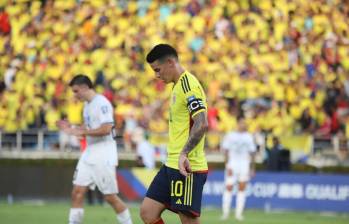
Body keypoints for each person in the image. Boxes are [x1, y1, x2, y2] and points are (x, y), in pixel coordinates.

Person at [140, 44, 209, 224]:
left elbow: (201, 123)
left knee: (188, 221)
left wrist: (184, 153)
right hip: (171, 163)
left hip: (187, 166)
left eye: (157, 69)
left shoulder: (188, 85)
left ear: (170, 62)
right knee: (148, 212)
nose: (156, 75)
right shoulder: (177, 86)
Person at [56, 74, 132, 224]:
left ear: (85, 87)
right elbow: (88, 127)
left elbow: (106, 128)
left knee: (110, 197)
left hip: (104, 153)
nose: (74, 95)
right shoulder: (87, 105)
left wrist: (81, 132)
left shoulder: (102, 103)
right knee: (77, 192)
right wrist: (72, 128)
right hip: (89, 152)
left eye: (76, 91)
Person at [221, 118, 256, 221]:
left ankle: (238, 214)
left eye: (244, 124)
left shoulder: (249, 137)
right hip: (232, 164)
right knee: (229, 187)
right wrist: (227, 166)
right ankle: (225, 213)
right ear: (237, 124)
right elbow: (226, 151)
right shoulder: (231, 135)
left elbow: (252, 153)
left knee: (242, 188)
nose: (243, 125)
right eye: (241, 123)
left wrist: (252, 168)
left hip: (244, 165)